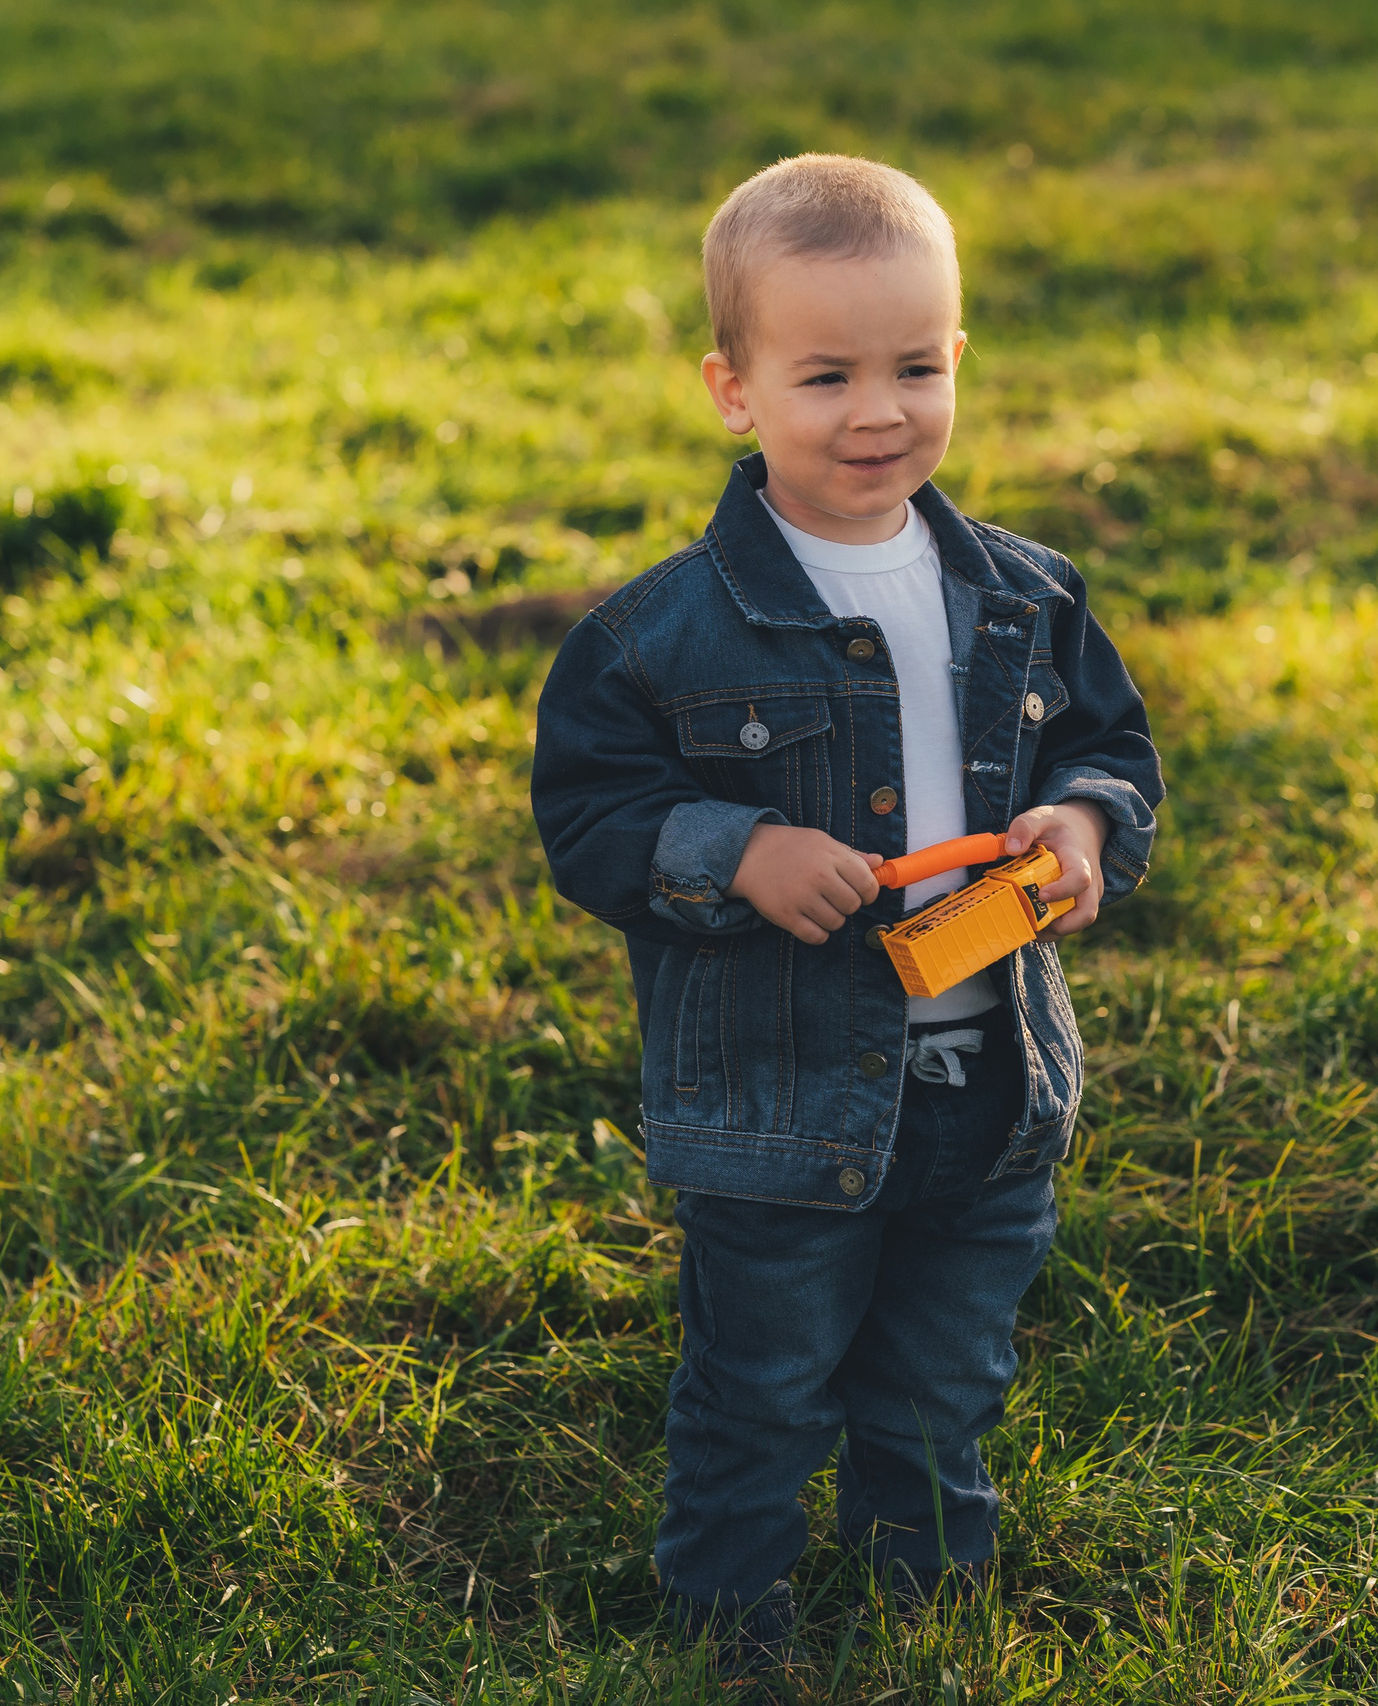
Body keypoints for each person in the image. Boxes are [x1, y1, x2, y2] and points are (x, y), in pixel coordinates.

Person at [529, 153, 1164, 1675]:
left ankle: (924, 1597)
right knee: (763, 1376)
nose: (879, 412)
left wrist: (1083, 825)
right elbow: (592, 816)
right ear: (734, 390)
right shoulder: (660, 634)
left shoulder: (1022, 594)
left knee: (947, 1371)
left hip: (991, 1082)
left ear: (960, 359)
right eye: (826, 375)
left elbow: (1108, 749)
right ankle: (725, 1621)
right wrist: (731, 850)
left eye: (916, 366)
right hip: (784, 1089)